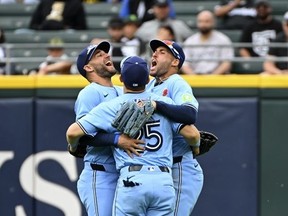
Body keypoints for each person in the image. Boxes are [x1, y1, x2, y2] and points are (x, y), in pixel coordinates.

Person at [66, 55, 201, 216]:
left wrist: (74, 147)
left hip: (132, 178)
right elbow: (192, 135)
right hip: (163, 180)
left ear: (121, 78)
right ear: (147, 81)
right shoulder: (164, 103)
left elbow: (73, 132)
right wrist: (196, 147)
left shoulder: (113, 106)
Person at [70, 41, 144, 216]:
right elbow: (81, 135)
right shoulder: (90, 92)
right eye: (99, 55)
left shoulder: (121, 91)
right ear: (88, 67)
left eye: (106, 53)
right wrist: (117, 140)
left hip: (123, 173)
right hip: (100, 173)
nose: (107, 55)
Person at [146, 39, 203, 215]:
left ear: (175, 62)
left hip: (180, 167)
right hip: (159, 169)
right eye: (154, 51)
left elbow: (189, 114)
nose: (154, 54)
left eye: (162, 52)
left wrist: (158, 105)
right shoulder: (150, 86)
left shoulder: (176, 82)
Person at [181, 10, 234, 75]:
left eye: (207, 21)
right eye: (201, 21)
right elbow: (184, 63)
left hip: (217, 78)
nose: (203, 24)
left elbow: (227, 63)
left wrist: (212, 77)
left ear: (213, 22)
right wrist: (194, 77)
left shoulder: (223, 40)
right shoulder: (190, 41)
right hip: (195, 77)